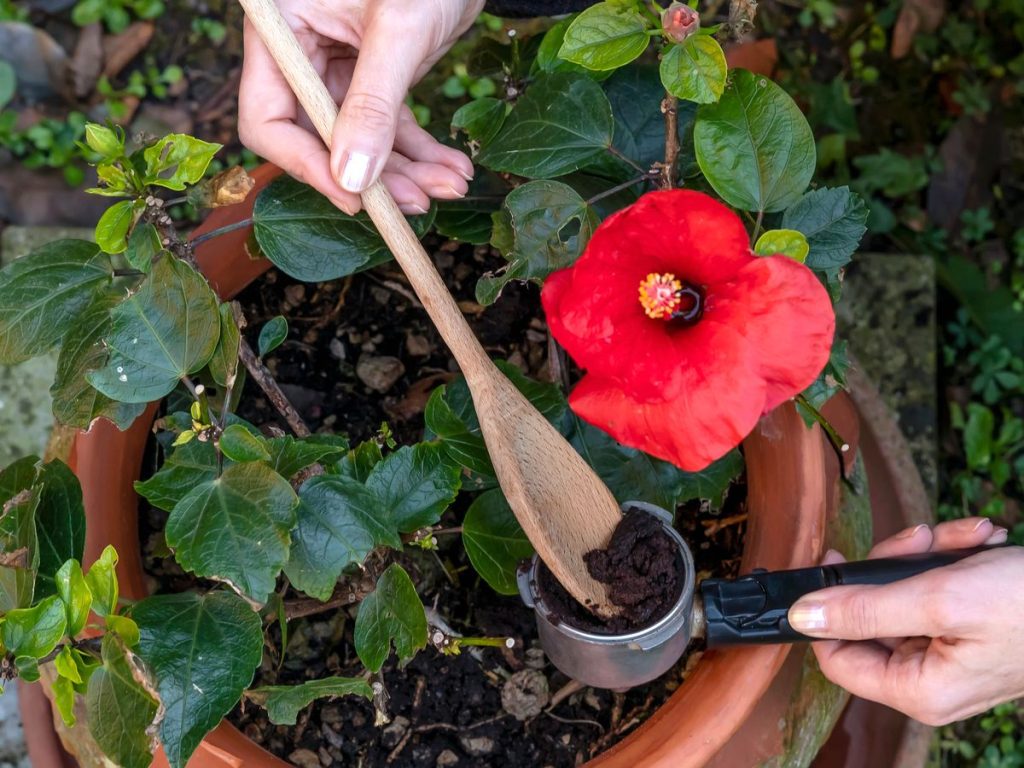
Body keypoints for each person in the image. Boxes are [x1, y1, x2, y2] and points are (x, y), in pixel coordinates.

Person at [238, 0, 1024, 727]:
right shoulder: (635, 280)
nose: (663, 296)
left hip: (709, 289)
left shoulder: (729, 307)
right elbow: (608, 292)